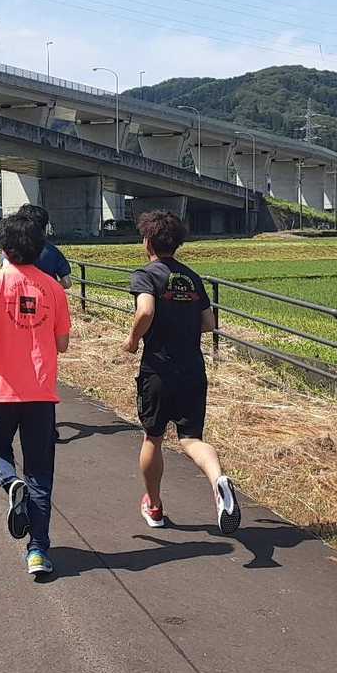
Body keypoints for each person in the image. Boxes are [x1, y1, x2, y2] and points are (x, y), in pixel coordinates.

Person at [125, 209, 240, 534]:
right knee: (191, 439)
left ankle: (154, 506)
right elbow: (209, 323)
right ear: (177, 243)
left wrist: (132, 340)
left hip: (158, 369)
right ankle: (218, 480)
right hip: (192, 368)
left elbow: (145, 310)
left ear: (147, 241)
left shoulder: (146, 275)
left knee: (153, 437)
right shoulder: (191, 277)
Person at [0, 213, 71, 579]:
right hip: (41, 392)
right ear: (40, 247)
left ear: (3, 246)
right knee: (40, 473)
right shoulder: (53, 289)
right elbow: (62, 343)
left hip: (1, 390)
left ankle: (10, 482)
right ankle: (38, 551)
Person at [13, 204, 72, 287]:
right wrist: (47, 287)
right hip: (47, 294)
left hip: (17, 293)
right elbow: (67, 282)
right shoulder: (52, 251)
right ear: (44, 226)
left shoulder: (11, 250)